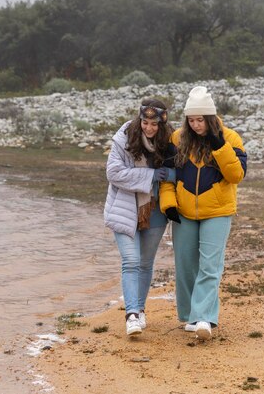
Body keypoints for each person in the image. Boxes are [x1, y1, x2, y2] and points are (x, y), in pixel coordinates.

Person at [160, 86, 247, 341]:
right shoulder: (177, 139)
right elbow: (167, 177)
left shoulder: (231, 138)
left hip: (218, 211)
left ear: (210, 118)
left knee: (210, 266)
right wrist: (169, 204)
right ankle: (190, 315)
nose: (196, 125)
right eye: (191, 120)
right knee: (186, 265)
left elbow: (236, 175)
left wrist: (219, 146)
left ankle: (204, 318)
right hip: (184, 212)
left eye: (200, 120)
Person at [104, 98, 177, 336]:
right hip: (125, 208)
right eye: (145, 122)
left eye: (154, 124)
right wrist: (152, 175)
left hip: (155, 211)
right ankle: (131, 315)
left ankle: (141, 309)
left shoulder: (170, 143)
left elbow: (180, 170)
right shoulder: (124, 138)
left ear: (162, 123)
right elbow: (114, 173)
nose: (149, 128)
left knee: (145, 264)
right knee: (131, 261)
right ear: (140, 119)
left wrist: (170, 175)